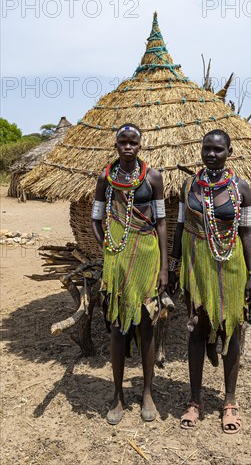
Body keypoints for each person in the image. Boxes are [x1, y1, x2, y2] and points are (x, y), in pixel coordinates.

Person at [169, 129, 251, 434]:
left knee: (231, 329)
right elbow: (181, 225)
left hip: (231, 266)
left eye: (218, 150)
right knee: (197, 328)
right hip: (196, 266)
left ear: (229, 152)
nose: (211, 154)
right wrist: (173, 263)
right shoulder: (189, 186)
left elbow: (247, 232)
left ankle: (229, 402)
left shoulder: (241, 188)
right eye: (206, 148)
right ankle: (195, 401)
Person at [91, 123, 168, 424]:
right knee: (117, 326)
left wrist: (163, 266)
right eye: (122, 142)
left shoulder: (153, 178)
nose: (127, 147)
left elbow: (161, 221)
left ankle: (147, 392)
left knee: (147, 324)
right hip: (118, 261)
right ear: (115, 144)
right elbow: (96, 219)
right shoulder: (105, 178)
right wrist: (109, 247)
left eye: (132, 142)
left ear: (140, 145)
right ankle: (117, 395)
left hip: (147, 258)